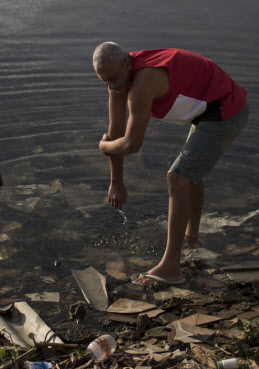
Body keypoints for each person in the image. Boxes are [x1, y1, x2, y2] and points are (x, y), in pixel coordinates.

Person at [93, 42, 248, 286]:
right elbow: (116, 134)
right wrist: (116, 183)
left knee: (178, 177)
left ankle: (171, 267)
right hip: (205, 110)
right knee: (189, 175)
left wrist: (103, 147)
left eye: (113, 78)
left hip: (226, 111)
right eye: (104, 81)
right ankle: (191, 239)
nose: (111, 86)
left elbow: (131, 144)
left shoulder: (143, 84)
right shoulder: (118, 79)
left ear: (126, 63)